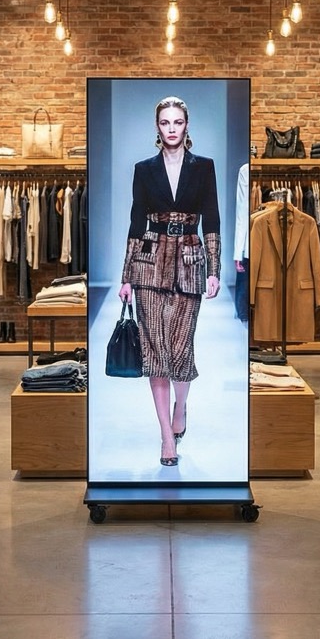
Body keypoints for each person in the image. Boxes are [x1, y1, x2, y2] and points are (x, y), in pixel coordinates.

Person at [117, 96, 221, 467]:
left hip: (190, 262)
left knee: (180, 350)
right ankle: (166, 437)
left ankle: (182, 406)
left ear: (186, 125)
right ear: (157, 127)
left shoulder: (204, 168)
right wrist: (126, 275)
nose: (172, 128)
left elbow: (212, 218)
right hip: (148, 263)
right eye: (165, 123)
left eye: (178, 122)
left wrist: (214, 269)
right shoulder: (144, 169)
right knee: (155, 354)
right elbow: (134, 222)